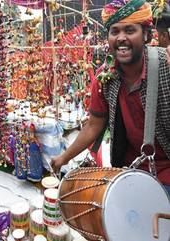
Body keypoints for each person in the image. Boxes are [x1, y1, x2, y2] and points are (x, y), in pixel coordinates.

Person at [51, 0, 170, 195]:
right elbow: (93, 125)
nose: (121, 38)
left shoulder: (165, 64)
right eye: (115, 31)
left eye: (130, 30)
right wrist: (63, 158)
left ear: (146, 35)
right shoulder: (105, 78)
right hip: (131, 170)